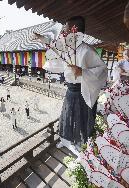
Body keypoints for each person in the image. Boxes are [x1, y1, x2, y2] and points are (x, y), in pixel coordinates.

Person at [36, 16, 107, 155]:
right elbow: (54, 47)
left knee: (82, 119)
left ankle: (83, 145)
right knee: (68, 115)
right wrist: (42, 39)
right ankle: (66, 139)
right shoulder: (67, 48)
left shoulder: (87, 50)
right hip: (71, 89)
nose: (64, 31)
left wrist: (83, 72)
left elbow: (102, 70)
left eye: (67, 29)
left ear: (75, 31)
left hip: (83, 90)